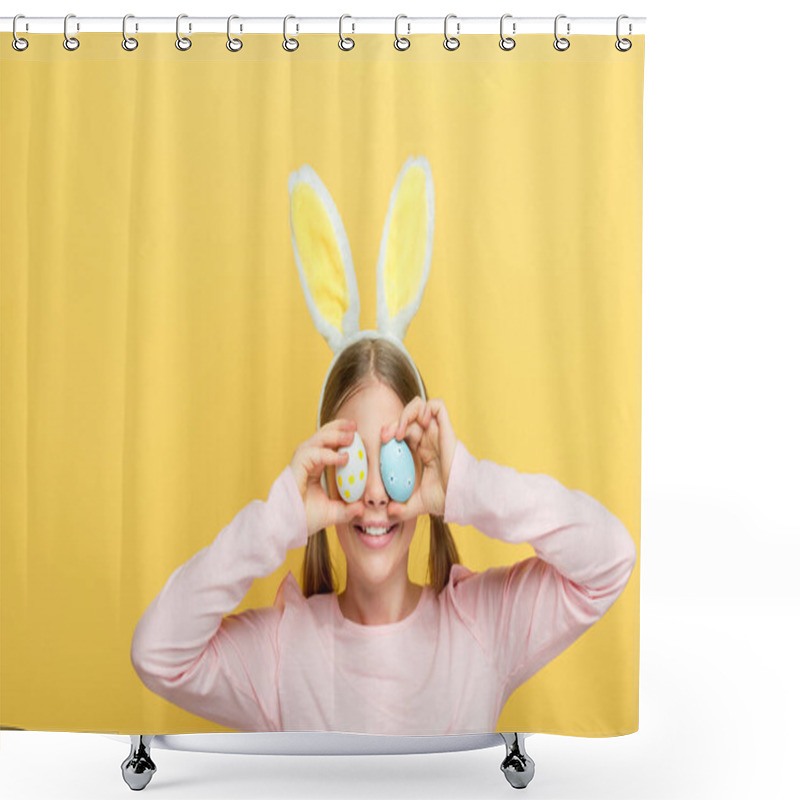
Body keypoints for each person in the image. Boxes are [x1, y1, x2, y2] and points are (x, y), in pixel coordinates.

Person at [130, 336, 637, 735]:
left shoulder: (484, 627)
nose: (374, 492)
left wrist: (469, 484)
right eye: (353, 462)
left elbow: (612, 557)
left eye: (393, 457)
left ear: (423, 467)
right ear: (327, 473)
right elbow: (157, 653)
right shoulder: (283, 652)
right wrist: (278, 518)